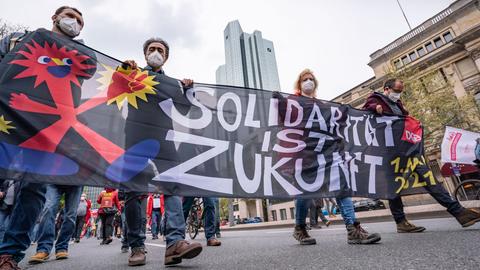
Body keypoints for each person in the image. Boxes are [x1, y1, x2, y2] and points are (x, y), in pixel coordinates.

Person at [0, 6, 86, 269]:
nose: (74, 22)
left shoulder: (81, 53)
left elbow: (92, 70)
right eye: (70, 16)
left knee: (33, 189)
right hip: (9, 121)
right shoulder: (21, 38)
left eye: (79, 20)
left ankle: (9, 254)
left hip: (47, 132)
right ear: (55, 18)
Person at [121, 37, 202, 266]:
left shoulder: (170, 83)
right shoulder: (133, 73)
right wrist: (123, 71)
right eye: (152, 49)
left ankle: (175, 244)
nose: (156, 52)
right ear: (145, 53)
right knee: (133, 192)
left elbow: (184, 111)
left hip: (164, 139)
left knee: (173, 185)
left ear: (165, 57)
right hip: (135, 138)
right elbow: (114, 92)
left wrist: (188, 90)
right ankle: (137, 246)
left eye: (160, 50)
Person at [363, 78, 480, 232]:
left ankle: (459, 212)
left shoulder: (398, 105)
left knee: (429, 179)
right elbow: (364, 114)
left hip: (409, 150)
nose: (398, 94)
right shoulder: (375, 98)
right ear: (387, 89)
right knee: (394, 187)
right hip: (389, 153)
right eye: (396, 90)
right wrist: (374, 108)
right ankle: (401, 222)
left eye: (400, 91)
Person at [286, 69, 381, 245]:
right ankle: (300, 228)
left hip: (328, 152)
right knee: (305, 192)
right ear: (299, 84)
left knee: (341, 187)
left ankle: (353, 229)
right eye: (305, 79)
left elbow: (334, 124)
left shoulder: (323, 106)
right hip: (307, 154)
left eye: (311, 79)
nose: (309, 82)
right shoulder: (293, 103)